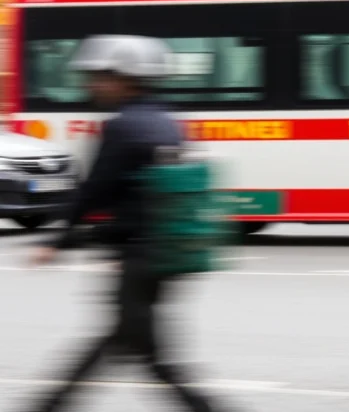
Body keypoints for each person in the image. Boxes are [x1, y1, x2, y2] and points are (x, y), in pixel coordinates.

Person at [26, 35, 220, 412]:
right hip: (165, 254)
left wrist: (58, 239)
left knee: (151, 358)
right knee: (124, 342)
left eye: (100, 77)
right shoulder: (169, 122)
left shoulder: (122, 126)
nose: (92, 85)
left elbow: (95, 190)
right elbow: (142, 192)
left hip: (140, 258)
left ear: (124, 79)